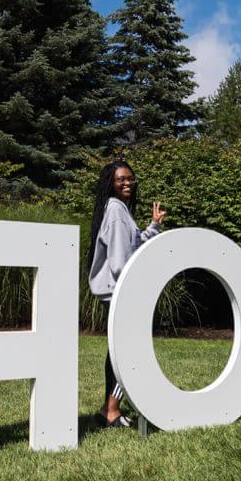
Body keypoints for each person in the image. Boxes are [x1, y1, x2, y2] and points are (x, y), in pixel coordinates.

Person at [88, 160, 166, 427]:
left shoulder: (116, 210)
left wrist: (153, 226)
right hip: (119, 291)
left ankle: (108, 409)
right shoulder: (117, 212)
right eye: (121, 179)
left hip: (113, 290)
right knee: (125, 352)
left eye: (130, 179)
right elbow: (121, 263)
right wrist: (134, 288)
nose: (127, 183)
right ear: (110, 182)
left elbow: (132, 245)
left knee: (117, 351)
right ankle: (111, 410)